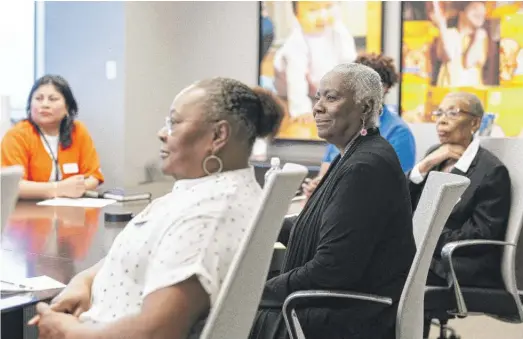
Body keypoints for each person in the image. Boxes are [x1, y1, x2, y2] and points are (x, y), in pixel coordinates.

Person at [29, 78, 284, 339]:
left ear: (218, 136)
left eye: (174, 123)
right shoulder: (204, 192)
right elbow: (143, 250)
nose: (162, 133)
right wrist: (84, 281)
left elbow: (156, 332)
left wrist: (68, 332)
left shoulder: (209, 215)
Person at [249, 63, 416, 339]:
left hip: (351, 317)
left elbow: (331, 269)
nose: (318, 107)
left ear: (365, 108)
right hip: (342, 304)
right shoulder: (356, 154)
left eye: (331, 97)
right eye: (318, 97)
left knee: (229, 313)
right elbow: (318, 227)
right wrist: (261, 224)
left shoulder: (366, 166)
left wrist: (255, 292)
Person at [409, 92, 511, 338]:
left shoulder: (491, 171)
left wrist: (427, 235)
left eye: (452, 113)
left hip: (457, 264)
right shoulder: (436, 154)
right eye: (439, 113)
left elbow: (480, 235)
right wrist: (423, 166)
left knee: (391, 271)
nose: (441, 121)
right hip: (426, 254)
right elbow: (403, 202)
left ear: (475, 123)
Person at [303, 53, 416, 198]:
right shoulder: (342, 128)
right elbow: (325, 174)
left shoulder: (398, 132)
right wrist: (317, 187)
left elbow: (395, 188)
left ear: (384, 88)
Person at [1, 75, 104, 200]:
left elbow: (94, 176)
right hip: (28, 211)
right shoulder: (16, 135)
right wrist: (60, 188)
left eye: (53, 99)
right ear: (29, 105)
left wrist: (77, 188)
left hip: (70, 210)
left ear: (67, 107)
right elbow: (13, 185)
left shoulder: (78, 131)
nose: (44, 104)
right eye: (38, 98)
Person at [273, 1, 357, 123]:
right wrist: (301, 109)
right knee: (294, 79)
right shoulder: (296, 41)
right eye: (313, 10)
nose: (323, 15)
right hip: (289, 84)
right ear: (297, 15)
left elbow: (349, 63)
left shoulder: (339, 32)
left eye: (328, 7)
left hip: (319, 81)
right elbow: (296, 78)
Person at [432, 1, 489, 87]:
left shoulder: (481, 36)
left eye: (482, 11)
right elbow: (448, 55)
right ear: (461, 12)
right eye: (475, 8)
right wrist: (441, 24)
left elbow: (469, 62)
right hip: (447, 92)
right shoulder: (449, 33)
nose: (479, 13)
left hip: (470, 95)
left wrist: (478, 36)